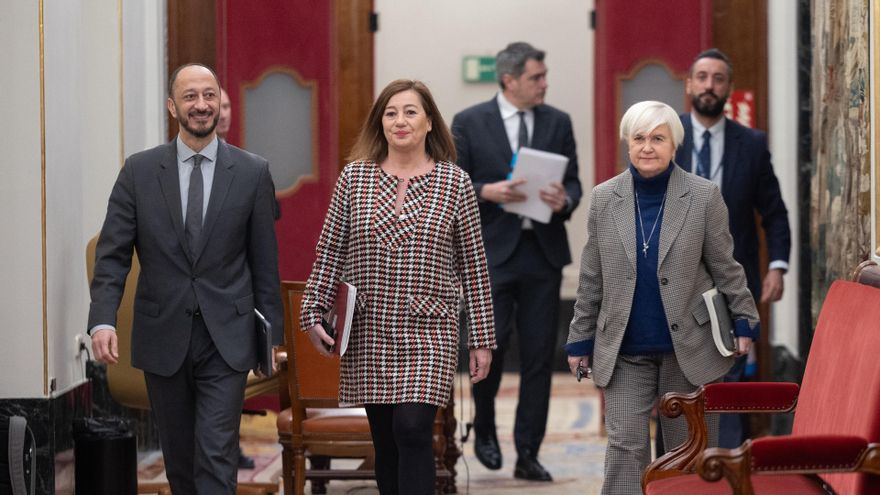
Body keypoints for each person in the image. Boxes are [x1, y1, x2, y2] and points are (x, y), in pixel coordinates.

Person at [88, 63, 283, 495]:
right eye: (190, 96)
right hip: (163, 335)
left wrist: (270, 337)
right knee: (180, 461)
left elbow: (264, 263)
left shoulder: (252, 172)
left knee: (216, 454)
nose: (201, 105)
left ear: (220, 103)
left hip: (227, 337)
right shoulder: (138, 172)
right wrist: (102, 320)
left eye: (209, 95)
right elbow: (113, 254)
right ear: (172, 106)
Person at [300, 79, 496, 495]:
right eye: (390, 113)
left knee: (412, 428)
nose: (399, 121)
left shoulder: (455, 182)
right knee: (386, 441)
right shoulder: (354, 178)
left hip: (430, 329)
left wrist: (481, 339)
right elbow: (330, 249)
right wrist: (313, 310)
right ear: (380, 123)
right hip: (369, 328)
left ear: (429, 122)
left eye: (410, 112)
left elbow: (474, 266)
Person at [565, 100, 759, 494]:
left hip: (689, 348)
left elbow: (726, 266)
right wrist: (580, 338)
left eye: (658, 138)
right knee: (625, 448)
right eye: (639, 138)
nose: (647, 147)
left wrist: (744, 320)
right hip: (625, 349)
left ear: (674, 145)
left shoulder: (703, 196)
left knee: (687, 454)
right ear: (627, 142)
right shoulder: (604, 198)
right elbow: (591, 277)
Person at [451, 41, 581, 481]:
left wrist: (565, 200)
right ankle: (485, 427)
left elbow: (575, 184)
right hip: (491, 254)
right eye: (536, 77)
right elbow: (452, 184)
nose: (544, 84)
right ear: (509, 80)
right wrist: (485, 191)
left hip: (543, 254)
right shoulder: (469, 121)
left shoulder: (558, 121)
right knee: (491, 346)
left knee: (540, 355)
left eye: (544, 76)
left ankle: (529, 452)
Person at [675, 48, 791, 448]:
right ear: (689, 85)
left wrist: (777, 266)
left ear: (729, 88)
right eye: (702, 77)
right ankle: (678, 463)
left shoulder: (752, 144)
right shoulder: (666, 137)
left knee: (730, 373)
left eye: (718, 78)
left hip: (734, 280)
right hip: (674, 280)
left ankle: (726, 464)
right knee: (676, 375)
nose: (709, 86)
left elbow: (774, 212)